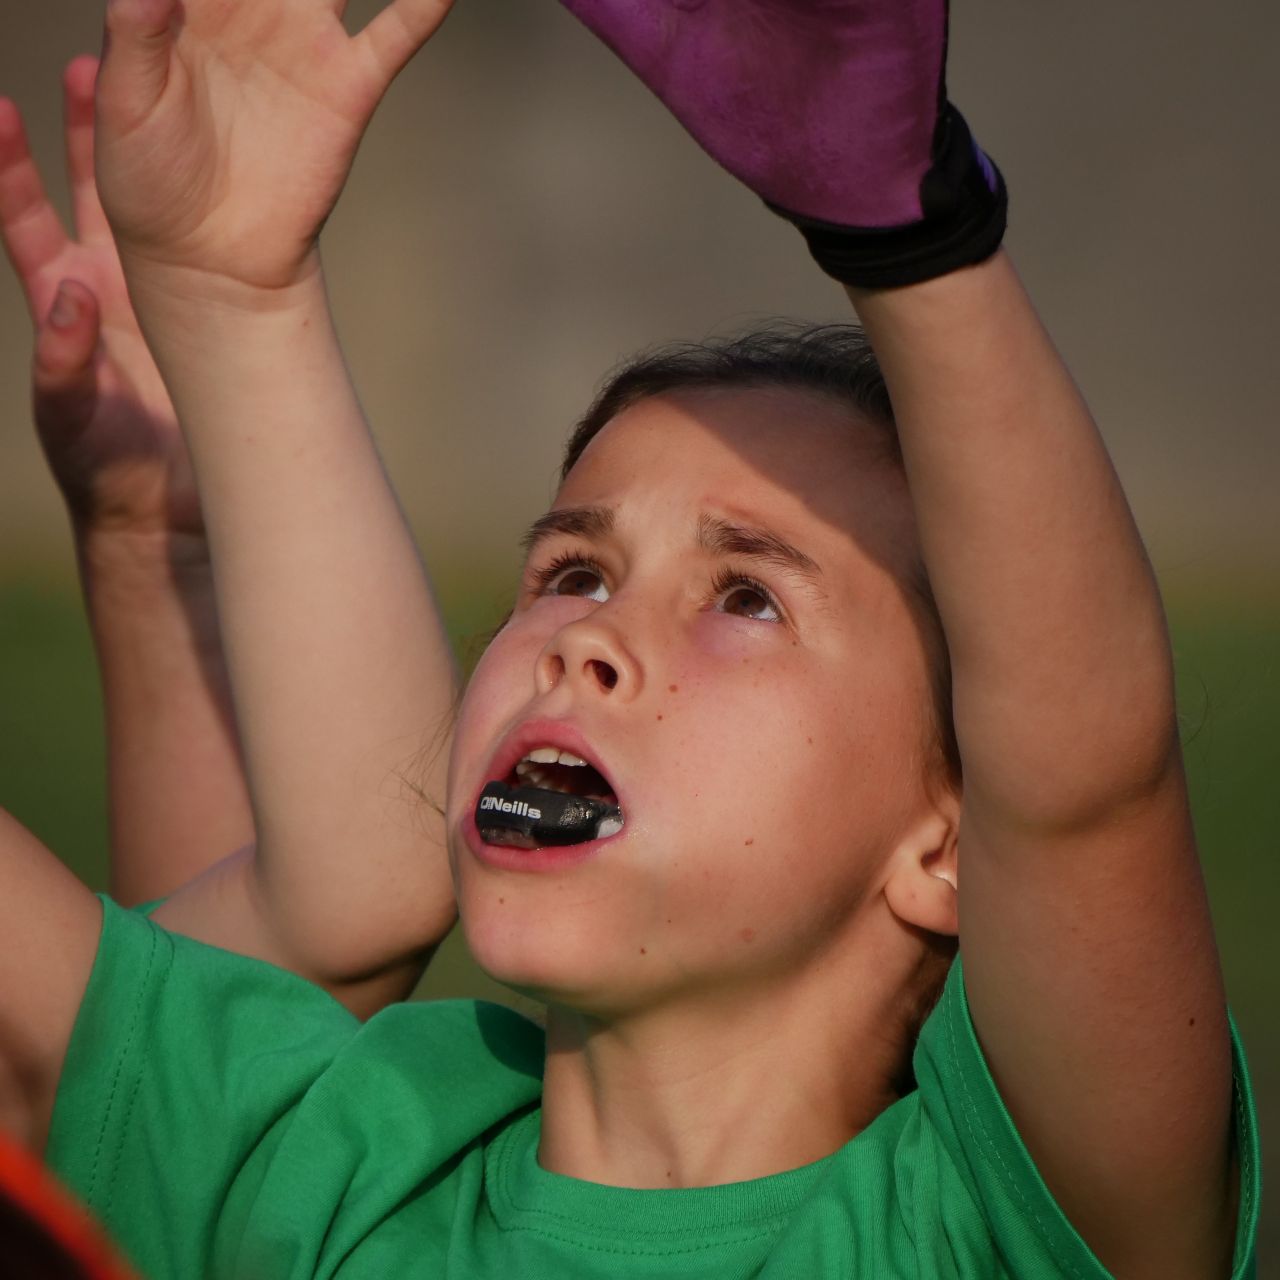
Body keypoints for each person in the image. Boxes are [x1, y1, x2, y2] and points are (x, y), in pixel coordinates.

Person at [0, 1, 1260, 1277]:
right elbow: (293, 932)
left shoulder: (969, 1233)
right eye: (571, 570)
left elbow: (1085, 773)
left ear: (947, 840)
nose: (587, 636)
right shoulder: (354, 1167)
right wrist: (229, 296)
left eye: (746, 597)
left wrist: (917, 241)